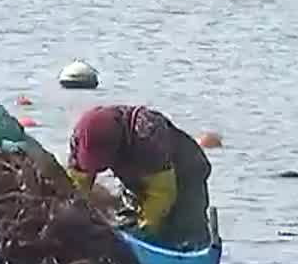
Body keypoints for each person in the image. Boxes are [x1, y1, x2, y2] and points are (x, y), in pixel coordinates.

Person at [66, 104, 213, 250]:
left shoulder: (147, 132)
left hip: (185, 173)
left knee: (185, 231)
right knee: (126, 221)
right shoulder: (79, 137)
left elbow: (162, 193)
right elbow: (76, 188)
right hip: (138, 178)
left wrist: (143, 230)